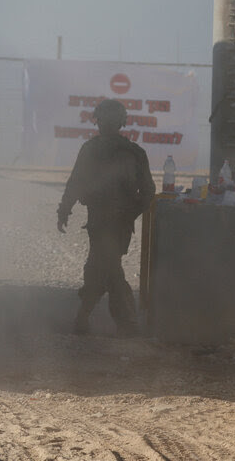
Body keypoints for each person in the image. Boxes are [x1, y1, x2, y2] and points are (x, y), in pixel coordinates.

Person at [56, 98, 156, 336]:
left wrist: (64, 210)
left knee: (103, 268)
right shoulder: (134, 152)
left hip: (103, 222)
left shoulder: (92, 149)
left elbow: (75, 184)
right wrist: (131, 213)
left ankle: (112, 322)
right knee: (106, 268)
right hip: (114, 224)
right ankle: (120, 323)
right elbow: (148, 192)